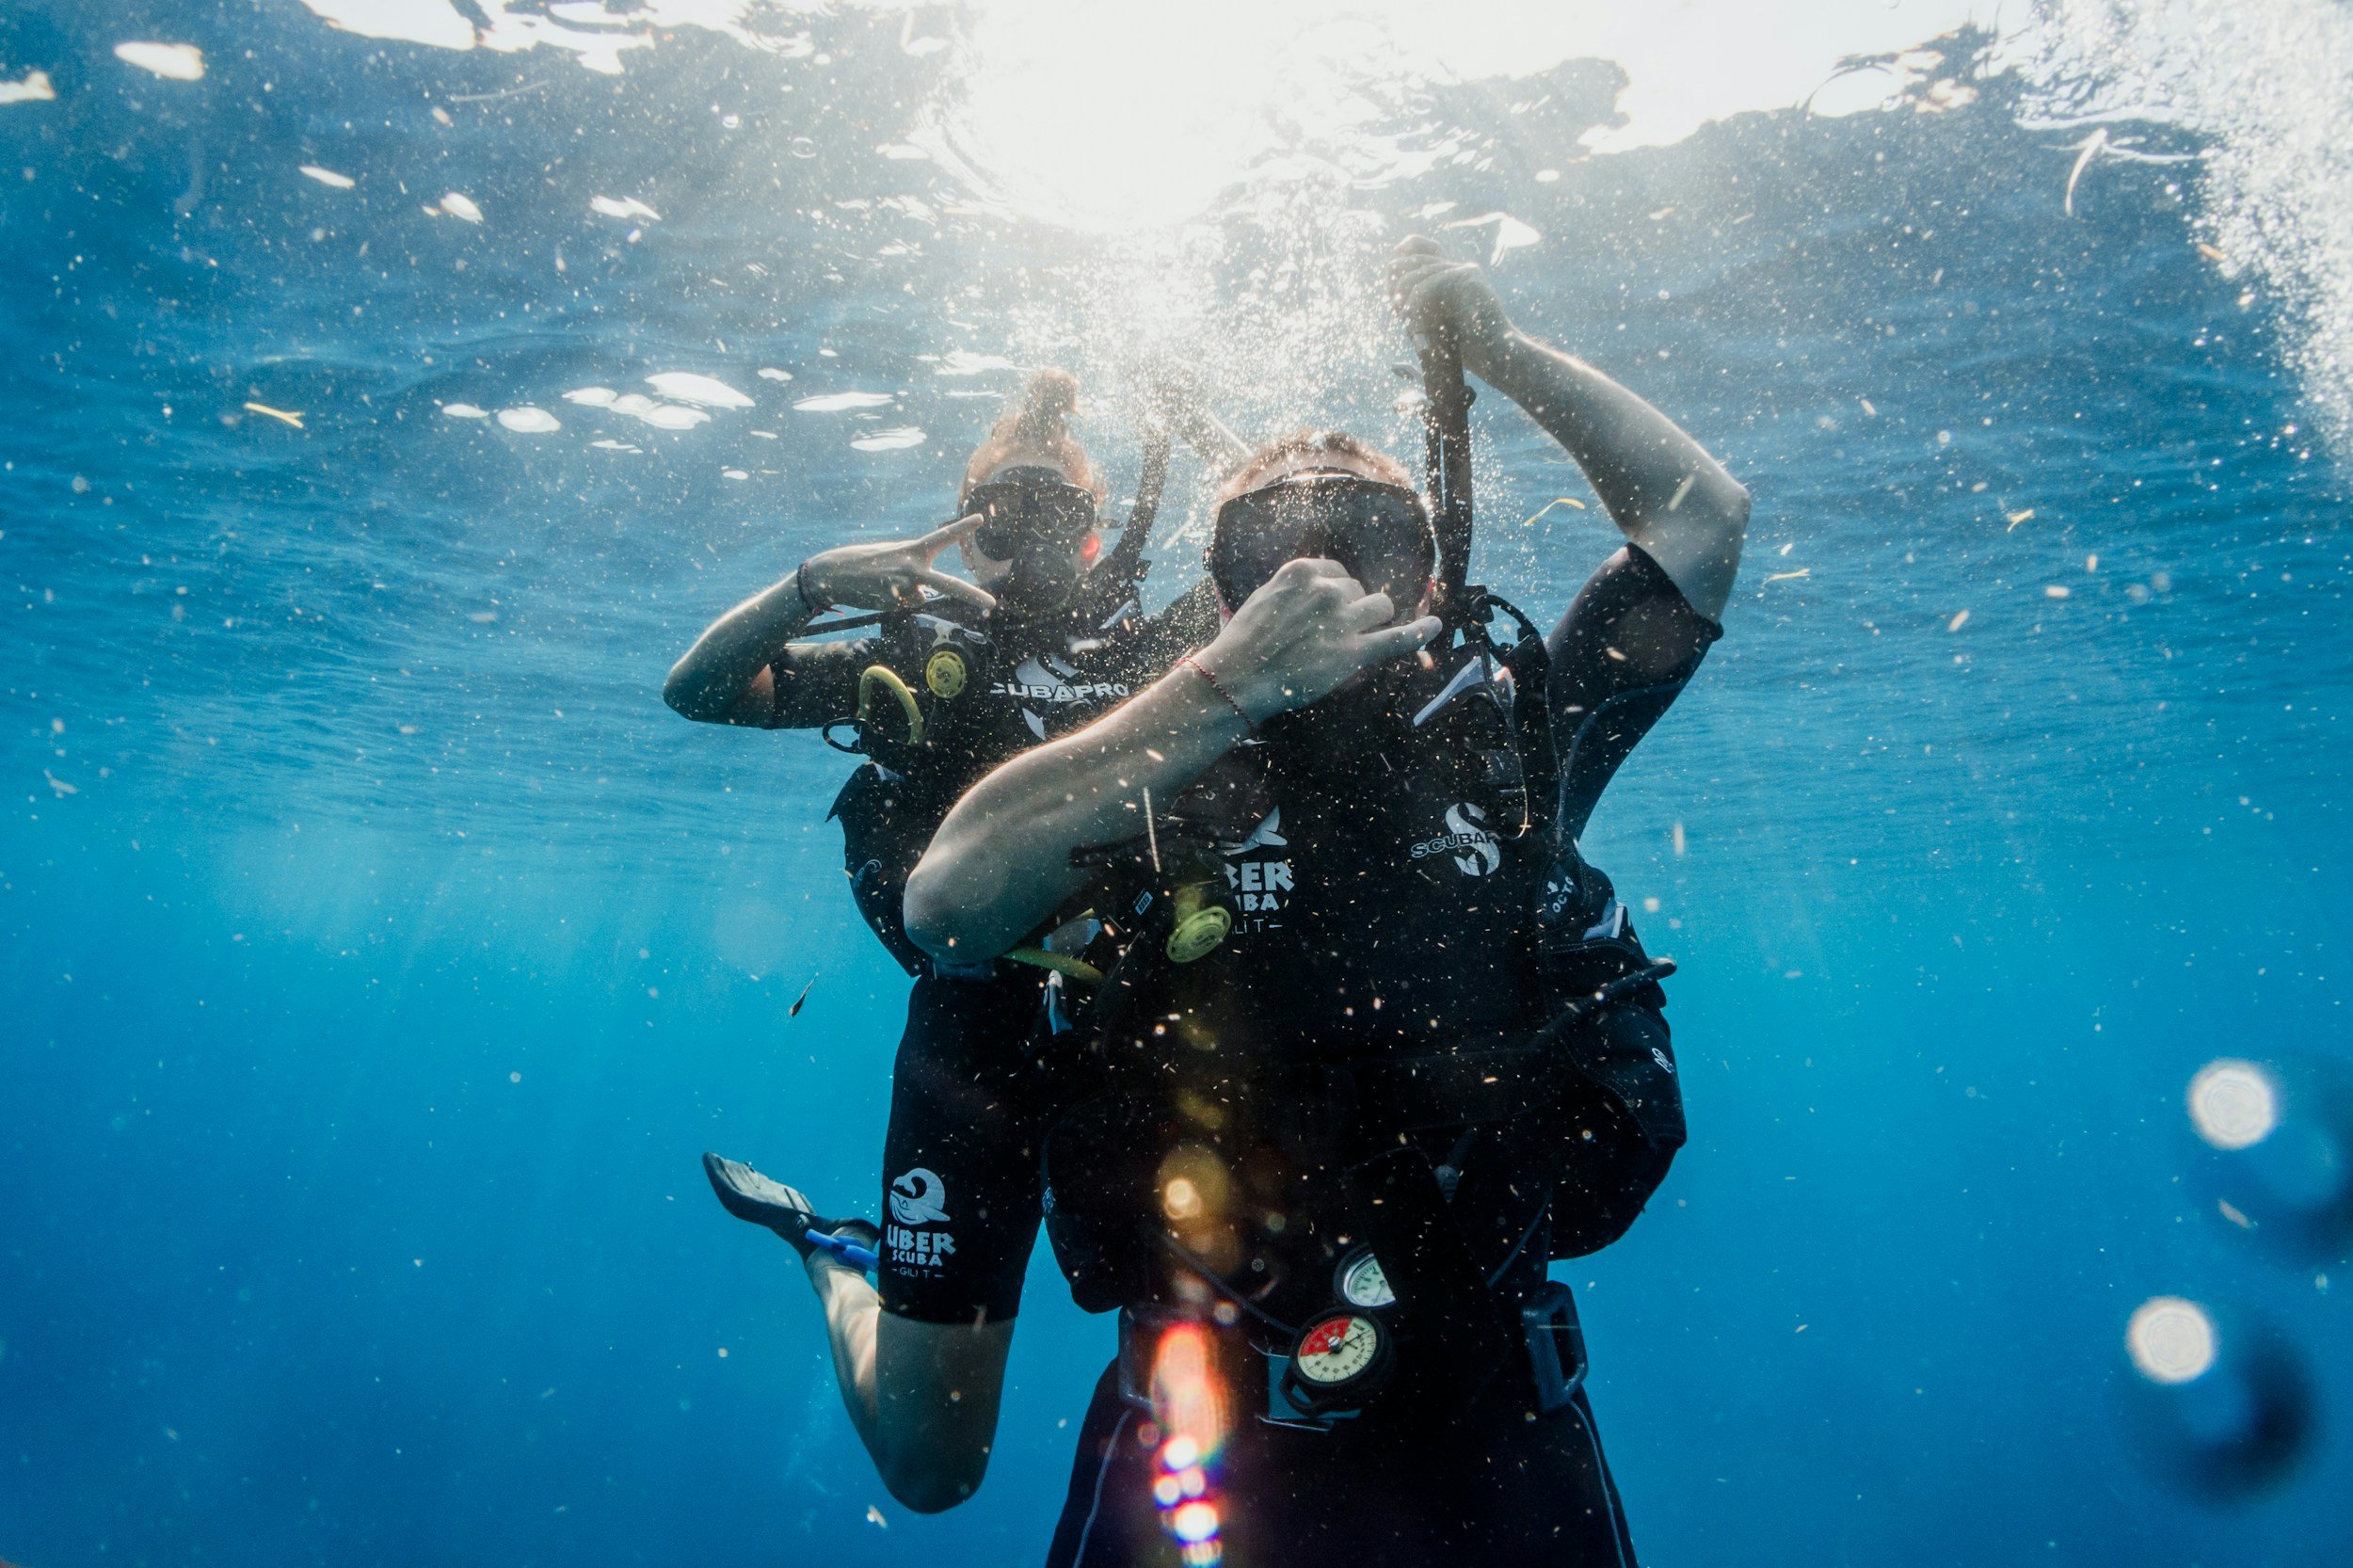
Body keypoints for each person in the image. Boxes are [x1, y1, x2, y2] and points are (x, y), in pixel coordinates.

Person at [899, 233, 1750, 1565]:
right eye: (1279, 541)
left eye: (1373, 532)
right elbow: (946, 907)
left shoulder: (1506, 737)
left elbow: (1702, 520)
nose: (1330, 572)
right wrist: (1219, 691)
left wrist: (1505, 356)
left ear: (1432, 569)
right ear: (1222, 587)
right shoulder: (1150, 754)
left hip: (1500, 1445)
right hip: (1193, 1443)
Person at [664, 370, 1243, 1512]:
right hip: (968, 1052)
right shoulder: (912, 662)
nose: (1025, 545)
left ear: (1092, 539)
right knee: (930, 1471)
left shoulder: (1160, 652)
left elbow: (1293, 565)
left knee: (1232, 1357)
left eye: (1053, 516)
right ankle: (841, 1255)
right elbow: (699, 689)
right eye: (998, 519)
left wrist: (1208, 434)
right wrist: (812, 585)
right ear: (963, 539)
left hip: (1147, 1036)